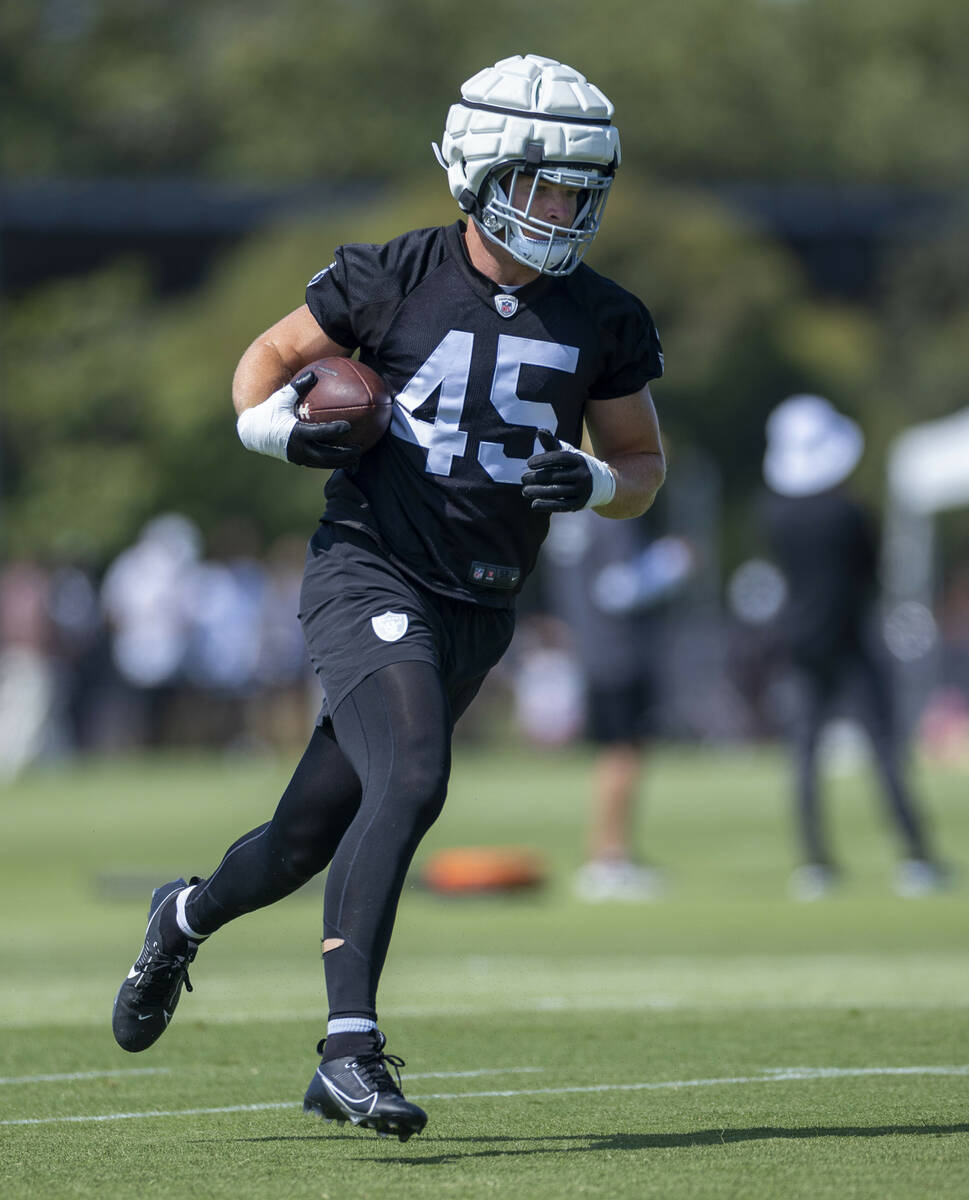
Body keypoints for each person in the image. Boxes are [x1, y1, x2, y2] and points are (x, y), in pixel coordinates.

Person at [111, 53, 666, 1141]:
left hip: (480, 603)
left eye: (579, 190)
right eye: (544, 184)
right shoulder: (396, 274)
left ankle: (178, 918)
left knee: (304, 835)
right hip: (371, 565)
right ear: (477, 170)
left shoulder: (604, 315)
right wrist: (278, 430)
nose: (565, 208)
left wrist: (598, 482)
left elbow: (643, 464)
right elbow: (267, 359)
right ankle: (348, 1048)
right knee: (411, 778)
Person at [761, 394, 946, 901]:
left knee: (805, 756)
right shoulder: (850, 512)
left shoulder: (775, 513)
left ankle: (815, 861)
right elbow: (872, 572)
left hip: (799, 642)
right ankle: (917, 856)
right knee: (885, 751)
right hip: (850, 642)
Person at [541, 508, 692, 900]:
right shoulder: (611, 512)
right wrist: (671, 563)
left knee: (616, 752)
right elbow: (617, 586)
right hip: (619, 648)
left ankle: (609, 854)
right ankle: (609, 858)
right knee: (623, 753)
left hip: (590, 643)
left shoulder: (567, 514)